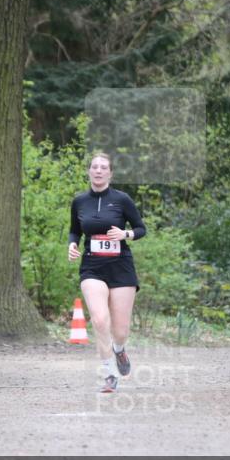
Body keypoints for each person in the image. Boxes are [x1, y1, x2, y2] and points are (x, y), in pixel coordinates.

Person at [68, 152, 146, 393]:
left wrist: (126, 234)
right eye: (95, 167)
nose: (99, 171)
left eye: (104, 167)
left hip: (121, 266)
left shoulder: (122, 200)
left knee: (120, 330)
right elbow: (75, 231)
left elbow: (141, 228)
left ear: (110, 173)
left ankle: (119, 350)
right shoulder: (79, 201)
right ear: (89, 171)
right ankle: (109, 373)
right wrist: (72, 245)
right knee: (100, 320)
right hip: (92, 266)